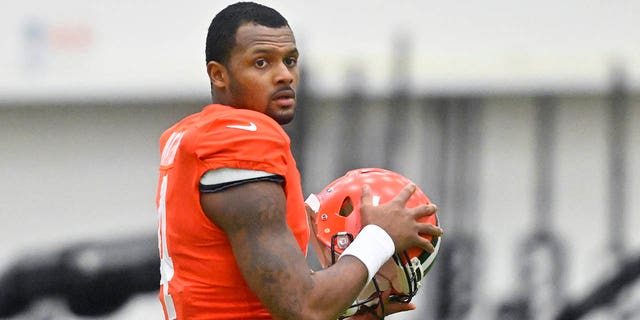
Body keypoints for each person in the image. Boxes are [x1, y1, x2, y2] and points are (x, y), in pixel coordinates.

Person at [155, 2, 443, 319]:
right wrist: (379, 237)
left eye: (290, 61)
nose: (284, 76)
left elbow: (247, 296)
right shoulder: (244, 138)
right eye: (261, 63)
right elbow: (304, 309)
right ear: (218, 75)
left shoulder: (192, 134)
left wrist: (348, 307)